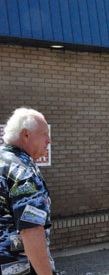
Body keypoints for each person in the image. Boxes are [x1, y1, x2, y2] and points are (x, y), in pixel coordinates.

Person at [0, 108, 55, 275]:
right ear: (25, 135)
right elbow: (31, 231)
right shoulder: (22, 172)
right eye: (44, 134)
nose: (49, 140)